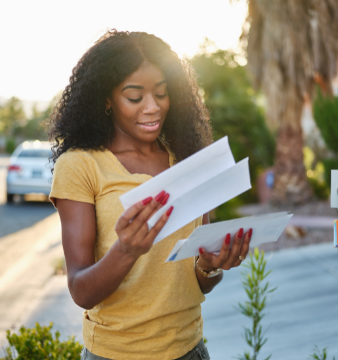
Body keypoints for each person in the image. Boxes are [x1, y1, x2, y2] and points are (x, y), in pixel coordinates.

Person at [48, 30, 252, 360]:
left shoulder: (187, 158)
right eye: (135, 97)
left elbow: (197, 283)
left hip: (190, 349)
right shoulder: (80, 166)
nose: (152, 108)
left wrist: (211, 265)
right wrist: (125, 251)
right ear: (107, 99)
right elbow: (81, 290)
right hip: (116, 354)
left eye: (161, 93)